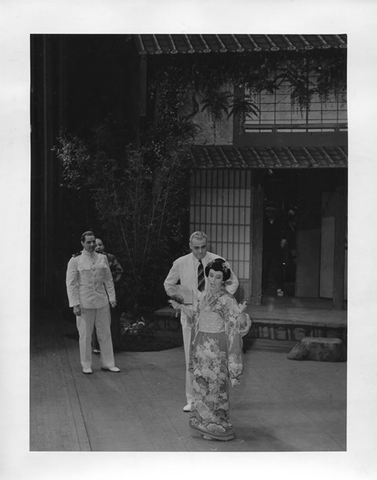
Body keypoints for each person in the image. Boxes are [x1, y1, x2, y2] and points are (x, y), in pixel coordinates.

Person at [169, 258, 251, 441]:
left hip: (216, 348)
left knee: (216, 386)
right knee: (201, 384)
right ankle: (204, 423)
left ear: (224, 279)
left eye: (218, 277)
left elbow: (234, 327)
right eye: (211, 275)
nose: (213, 280)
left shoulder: (227, 300)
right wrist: (182, 307)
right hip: (201, 345)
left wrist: (241, 318)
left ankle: (217, 425)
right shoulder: (204, 296)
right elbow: (197, 318)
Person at [163, 231, 239, 412]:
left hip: (212, 318)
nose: (200, 251)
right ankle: (192, 399)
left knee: (212, 358)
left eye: (203, 247)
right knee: (192, 357)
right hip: (190, 316)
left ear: (207, 244)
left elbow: (233, 282)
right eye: (196, 248)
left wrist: (221, 300)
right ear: (190, 245)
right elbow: (168, 284)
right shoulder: (180, 262)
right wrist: (183, 299)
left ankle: (212, 397)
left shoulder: (217, 260)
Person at [66, 230, 121, 374]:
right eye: (88, 242)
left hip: (101, 301)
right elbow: (71, 284)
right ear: (82, 243)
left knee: (105, 333)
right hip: (84, 303)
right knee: (85, 335)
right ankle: (86, 364)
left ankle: (108, 363)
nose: (91, 245)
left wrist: (112, 298)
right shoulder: (75, 260)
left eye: (93, 242)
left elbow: (108, 280)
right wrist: (75, 304)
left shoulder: (102, 259)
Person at [91, 238, 124, 353]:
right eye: (96, 245)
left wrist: (112, 282)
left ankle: (114, 344)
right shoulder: (90, 259)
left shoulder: (110, 258)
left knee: (112, 318)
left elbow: (119, 271)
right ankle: (97, 346)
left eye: (101, 244)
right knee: (97, 319)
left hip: (110, 291)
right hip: (96, 292)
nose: (98, 247)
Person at [262, 202, 287, 297]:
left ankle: (279, 288)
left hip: (276, 248)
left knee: (277, 268)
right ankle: (263, 288)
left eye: (272, 212)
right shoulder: (264, 221)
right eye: (268, 212)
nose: (270, 214)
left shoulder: (279, 221)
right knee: (264, 268)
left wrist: (283, 242)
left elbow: (284, 234)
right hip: (266, 248)